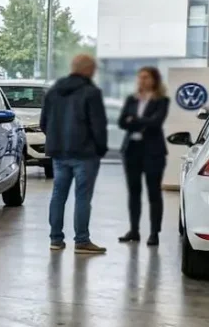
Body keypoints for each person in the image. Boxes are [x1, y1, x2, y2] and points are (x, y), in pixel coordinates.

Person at [41, 54, 109, 254]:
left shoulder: (53, 91)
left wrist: (56, 140)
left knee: (58, 195)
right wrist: (100, 148)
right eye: (93, 68)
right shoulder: (91, 92)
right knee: (82, 197)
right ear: (87, 69)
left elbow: (44, 122)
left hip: (59, 153)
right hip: (85, 154)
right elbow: (98, 125)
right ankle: (82, 241)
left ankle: (55, 239)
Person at [117, 67, 170, 246]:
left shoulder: (162, 100)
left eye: (146, 77)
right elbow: (122, 122)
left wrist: (135, 120)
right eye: (139, 77)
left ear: (154, 80)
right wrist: (137, 122)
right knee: (134, 191)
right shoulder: (131, 99)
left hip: (153, 151)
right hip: (132, 149)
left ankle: (154, 232)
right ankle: (134, 230)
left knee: (153, 192)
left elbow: (156, 122)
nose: (142, 81)